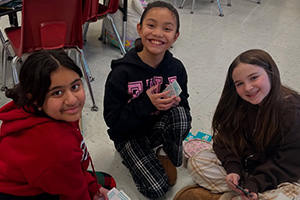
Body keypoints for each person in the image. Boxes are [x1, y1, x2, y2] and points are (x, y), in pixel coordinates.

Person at [174, 49, 300, 200]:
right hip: (247, 171)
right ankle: (240, 196)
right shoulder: (240, 104)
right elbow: (224, 140)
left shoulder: (292, 112)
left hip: (280, 176)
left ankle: (225, 197)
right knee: (196, 162)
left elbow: (287, 165)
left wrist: (255, 183)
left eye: (254, 78)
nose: (247, 88)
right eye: (239, 84)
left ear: (271, 73)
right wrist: (233, 169)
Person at [103, 1, 192, 198]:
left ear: (175, 36)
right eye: (151, 25)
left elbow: (185, 104)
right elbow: (112, 120)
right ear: (139, 28)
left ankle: (165, 153)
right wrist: (146, 103)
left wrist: (178, 102)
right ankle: (132, 155)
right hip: (129, 134)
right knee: (156, 189)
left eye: (167, 28)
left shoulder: (176, 68)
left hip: (157, 128)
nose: (158, 33)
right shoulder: (122, 72)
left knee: (181, 116)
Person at [0, 49, 116, 200]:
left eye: (75, 86)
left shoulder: (40, 109)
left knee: (102, 181)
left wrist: (93, 187)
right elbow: (74, 194)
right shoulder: (56, 144)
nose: (72, 100)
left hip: (31, 176)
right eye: (57, 93)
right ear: (34, 97)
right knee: (108, 183)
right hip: (22, 193)